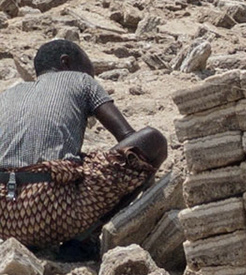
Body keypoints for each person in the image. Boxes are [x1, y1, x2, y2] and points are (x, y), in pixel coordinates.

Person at [0, 39, 168, 252]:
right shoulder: (81, 80)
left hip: (4, 214)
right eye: (90, 72)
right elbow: (127, 138)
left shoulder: (8, 94)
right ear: (66, 62)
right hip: (50, 208)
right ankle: (83, 238)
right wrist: (143, 179)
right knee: (153, 141)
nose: (91, 77)